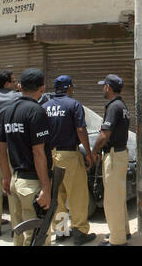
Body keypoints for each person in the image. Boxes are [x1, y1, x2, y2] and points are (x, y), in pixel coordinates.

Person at [0, 68, 52, 246]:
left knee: (19, 234)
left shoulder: (9, 111)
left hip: (15, 181)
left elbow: (0, 148)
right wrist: (46, 187)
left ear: (20, 86)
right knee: (37, 236)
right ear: (42, 88)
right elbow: (38, 152)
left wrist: (6, 177)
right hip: (32, 184)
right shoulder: (36, 111)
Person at [42, 75, 96, 245]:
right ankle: (80, 232)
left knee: (57, 196)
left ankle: (61, 231)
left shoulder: (44, 107)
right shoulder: (74, 104)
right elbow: (80, 129)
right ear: (69, 88)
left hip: (50, 155)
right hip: (70, 156)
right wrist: (88, 152)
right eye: (72, 87)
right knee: (78, 195)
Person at [91, 74, 130, 246]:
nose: (102, 89)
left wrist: (94, 150)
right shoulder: (121, 105)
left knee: (112, 200)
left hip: (114, 156)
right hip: (120, 154)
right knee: (118, 197)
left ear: (108, 87)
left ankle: (117, 241)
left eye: (103, 86)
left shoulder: (114, 107)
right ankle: (123, 232)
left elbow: (104, 135)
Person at [0, 70, 20, 237]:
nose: (15, 84)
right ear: (7, 83)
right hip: (9, 142)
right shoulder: (16, 97)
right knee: (12, 183)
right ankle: (16, 228)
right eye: (13, 81)